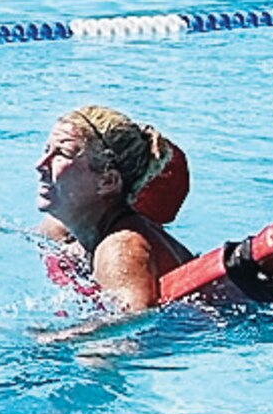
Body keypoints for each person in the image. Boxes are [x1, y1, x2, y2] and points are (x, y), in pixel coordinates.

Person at [35, 105, 195, 338]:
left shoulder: (120, 249)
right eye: (46, 150)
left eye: (63, 154)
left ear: (107, 181)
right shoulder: (61, 230)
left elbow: (133, 327)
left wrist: (55, 338)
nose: (40, 164)